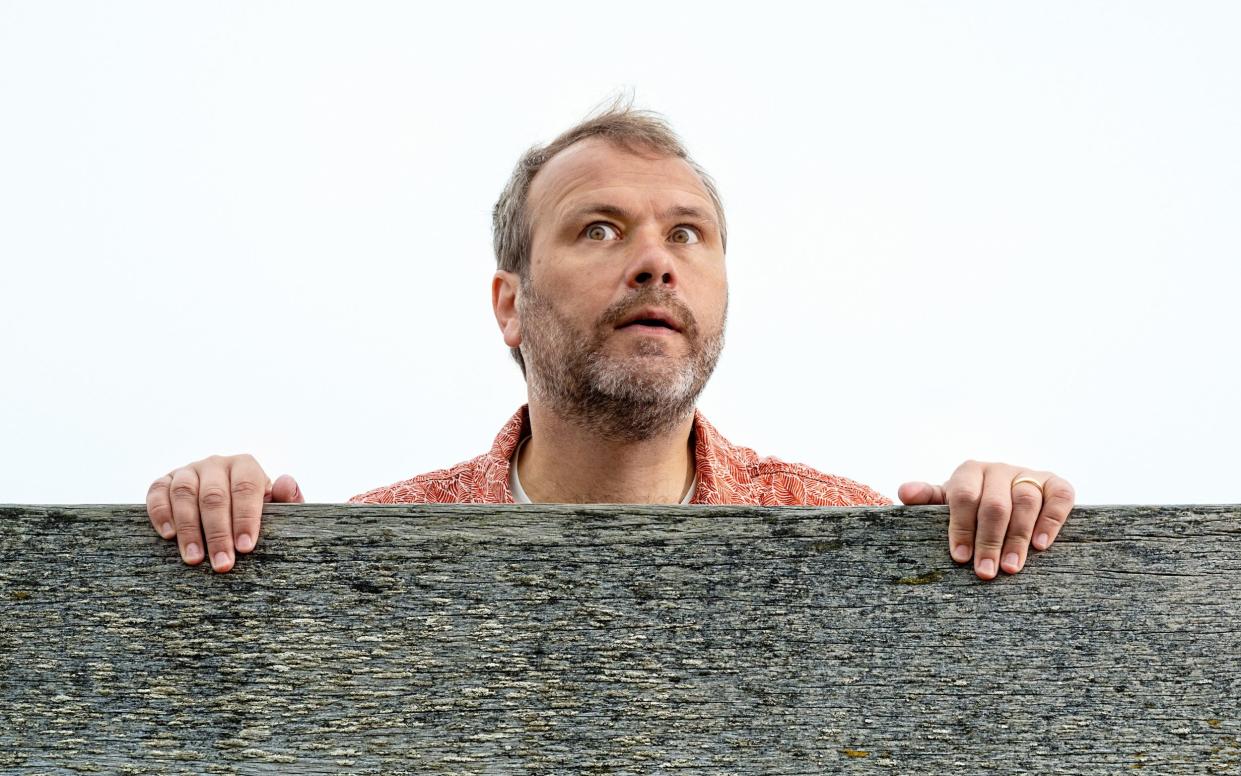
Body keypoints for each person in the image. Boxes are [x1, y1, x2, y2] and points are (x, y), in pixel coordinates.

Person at [145, 103, 1076, 581]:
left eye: (686, 234)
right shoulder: (375, 553)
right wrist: (213, 525)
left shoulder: (848, 529)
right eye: (597, 229)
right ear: (508, 305)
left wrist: (1003, 525)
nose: (654, 264)